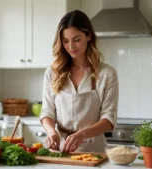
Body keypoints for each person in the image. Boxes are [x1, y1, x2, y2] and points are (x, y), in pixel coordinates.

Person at [39, 10, 119, 153]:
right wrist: (51, 132)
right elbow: (47, 111)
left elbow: (108, 120)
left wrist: (81, 135)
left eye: (76, 39)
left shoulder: (107, 73)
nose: (71, 46)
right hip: (60, 151)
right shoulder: (52, 72)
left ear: (88, 36)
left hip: (94, 152)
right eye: (65, 41)